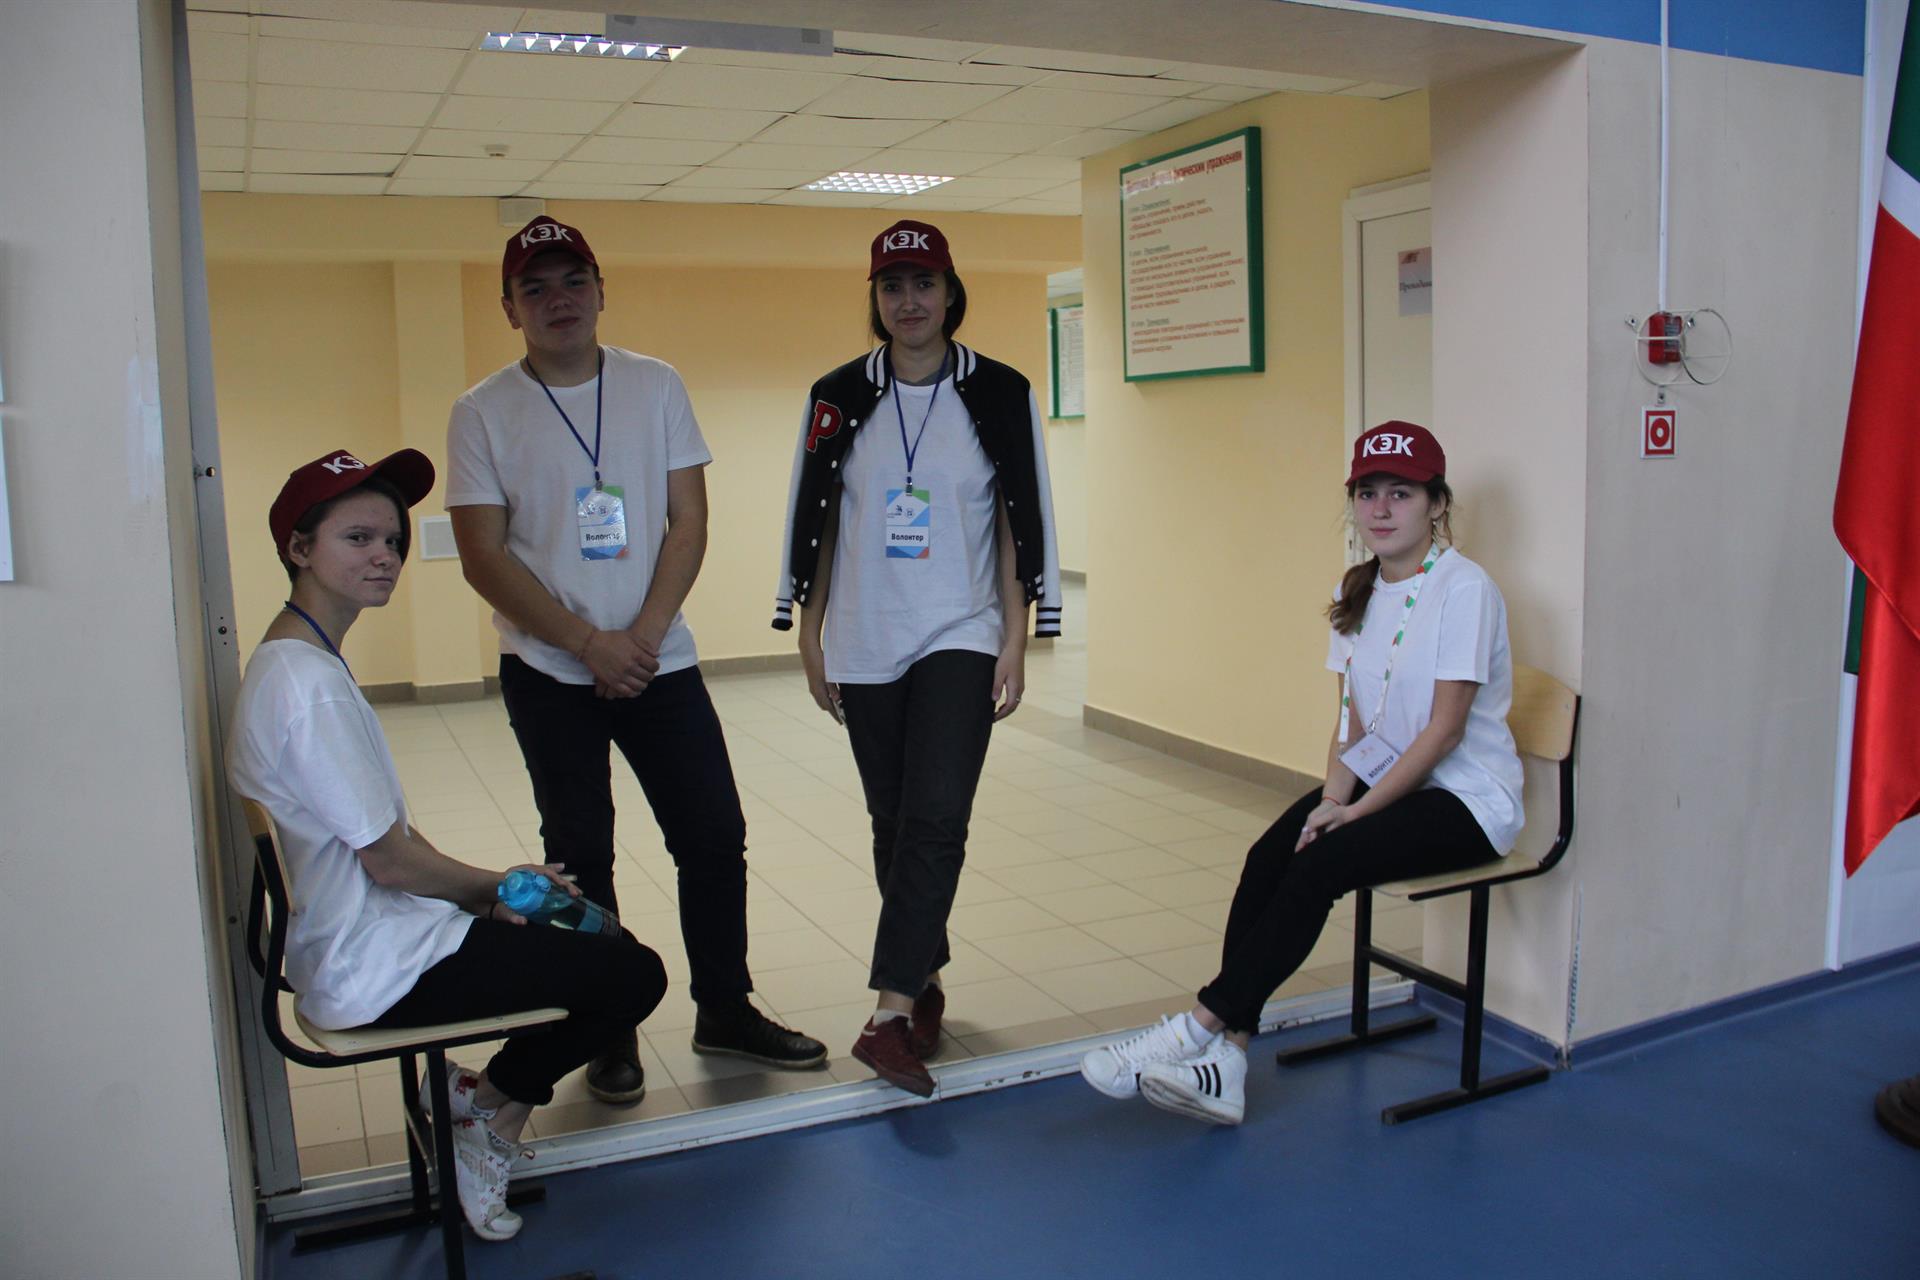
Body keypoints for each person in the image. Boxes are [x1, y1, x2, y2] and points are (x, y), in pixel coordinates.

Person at [228, 448, 670, 1241]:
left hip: (366, 938)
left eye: (393, 541)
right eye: (358, 539)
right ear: (299, 548)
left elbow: (387, 832)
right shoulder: (309, 688)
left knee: (589, 940)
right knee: (632, 973)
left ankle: (475, 1103)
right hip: (372, 969)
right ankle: (491, 1120)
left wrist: (491, 894)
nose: (385, 557)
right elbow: (390, 859)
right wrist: (494, 889)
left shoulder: (294, 659)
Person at [447, 216, 826, 1103]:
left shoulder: (655, 385)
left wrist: (641, 639)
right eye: (535, 287)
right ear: (508, 307)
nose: (558, 300)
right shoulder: (482, 411)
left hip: (660, 663)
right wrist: (589, 644)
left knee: (713, 836)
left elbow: (688, 520)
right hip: (549, 671)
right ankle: (605, 1025)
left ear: (600, 290)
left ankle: (724, 1007)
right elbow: (483, 556)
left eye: (573, 280)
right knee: (581, 854)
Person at [1079, 421, 1523, 1124]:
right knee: (1273, 853)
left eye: (1401, 493)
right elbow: (1350, 723)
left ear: (1437, 503)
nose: (1380, 509)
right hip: (1389, 784)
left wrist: (1354, 815)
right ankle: (1229, 1059)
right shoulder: (1357, 588)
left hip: (1466, 800)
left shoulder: (1465, 589)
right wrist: (1332, 800)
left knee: (1324, 862)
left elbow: (1445, 731)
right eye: (1367, 493)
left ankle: (1195, 1030)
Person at [772, 219, 1064, 1095]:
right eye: (893, 286)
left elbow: (1019, 514)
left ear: (950, 292)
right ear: (876, 298)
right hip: (865, 634)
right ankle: (924, 975)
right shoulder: (838, 395)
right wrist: (810, 631)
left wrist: (1015, 635)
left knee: (937, 817)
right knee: (893, 822)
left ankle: (889, 1015)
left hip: (960, 630)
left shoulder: (999, 390)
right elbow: (816, 512)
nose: (910, 301)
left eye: (924, 284)